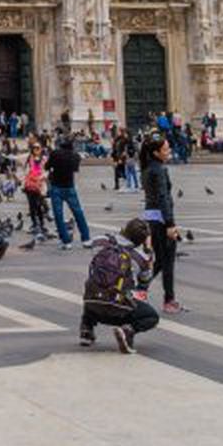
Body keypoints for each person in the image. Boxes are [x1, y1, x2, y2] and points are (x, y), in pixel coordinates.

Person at [79, 218, 159, 352]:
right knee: (152, 316)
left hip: (92, 303)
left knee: (96, 287)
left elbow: (86, 244)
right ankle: (128, 330)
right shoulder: (140, 257)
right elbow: (145, 280)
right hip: (119, 309)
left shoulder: (103, 240)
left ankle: (86, 329)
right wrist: (148, 251)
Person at [140, 134, 183, 312]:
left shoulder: (147, 167)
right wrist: (170, 223)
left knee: (159, 261)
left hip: (151, 216)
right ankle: (169, 300)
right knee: (168, 262)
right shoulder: (159, 170)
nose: (169, 151)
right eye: (166, 149)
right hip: (161, 218)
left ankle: (139, 289)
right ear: (156, 153)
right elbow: (163, 197)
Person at [47, 134, 90, 248]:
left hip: (56, 187)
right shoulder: (75, 156)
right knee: (78, 212)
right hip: (69, 187)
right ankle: (86, 238)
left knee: (58, 215)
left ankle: (66, 241)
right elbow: (75, 170)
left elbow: (47, 166)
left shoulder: (55, 154)